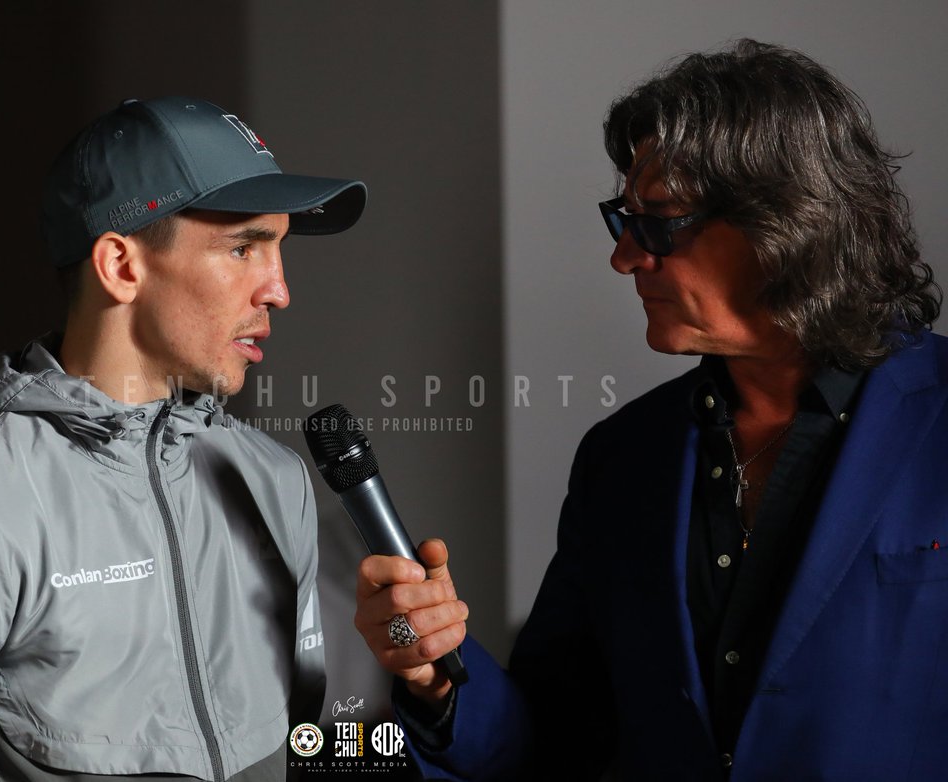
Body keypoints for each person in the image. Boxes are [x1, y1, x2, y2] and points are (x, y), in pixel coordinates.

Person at [354, 39, 946, 780]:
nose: (626, 258)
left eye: (658, 221)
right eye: (622, 219)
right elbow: (552, 743)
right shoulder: (624, 456)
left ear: (791, 222)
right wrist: (437, 678)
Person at [0, 96, 366, 781]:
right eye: (242, 248)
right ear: (121, 265)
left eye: (279, 249)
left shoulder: (273, 480)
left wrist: (430, 697)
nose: (279, 291)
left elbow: (310, 752)